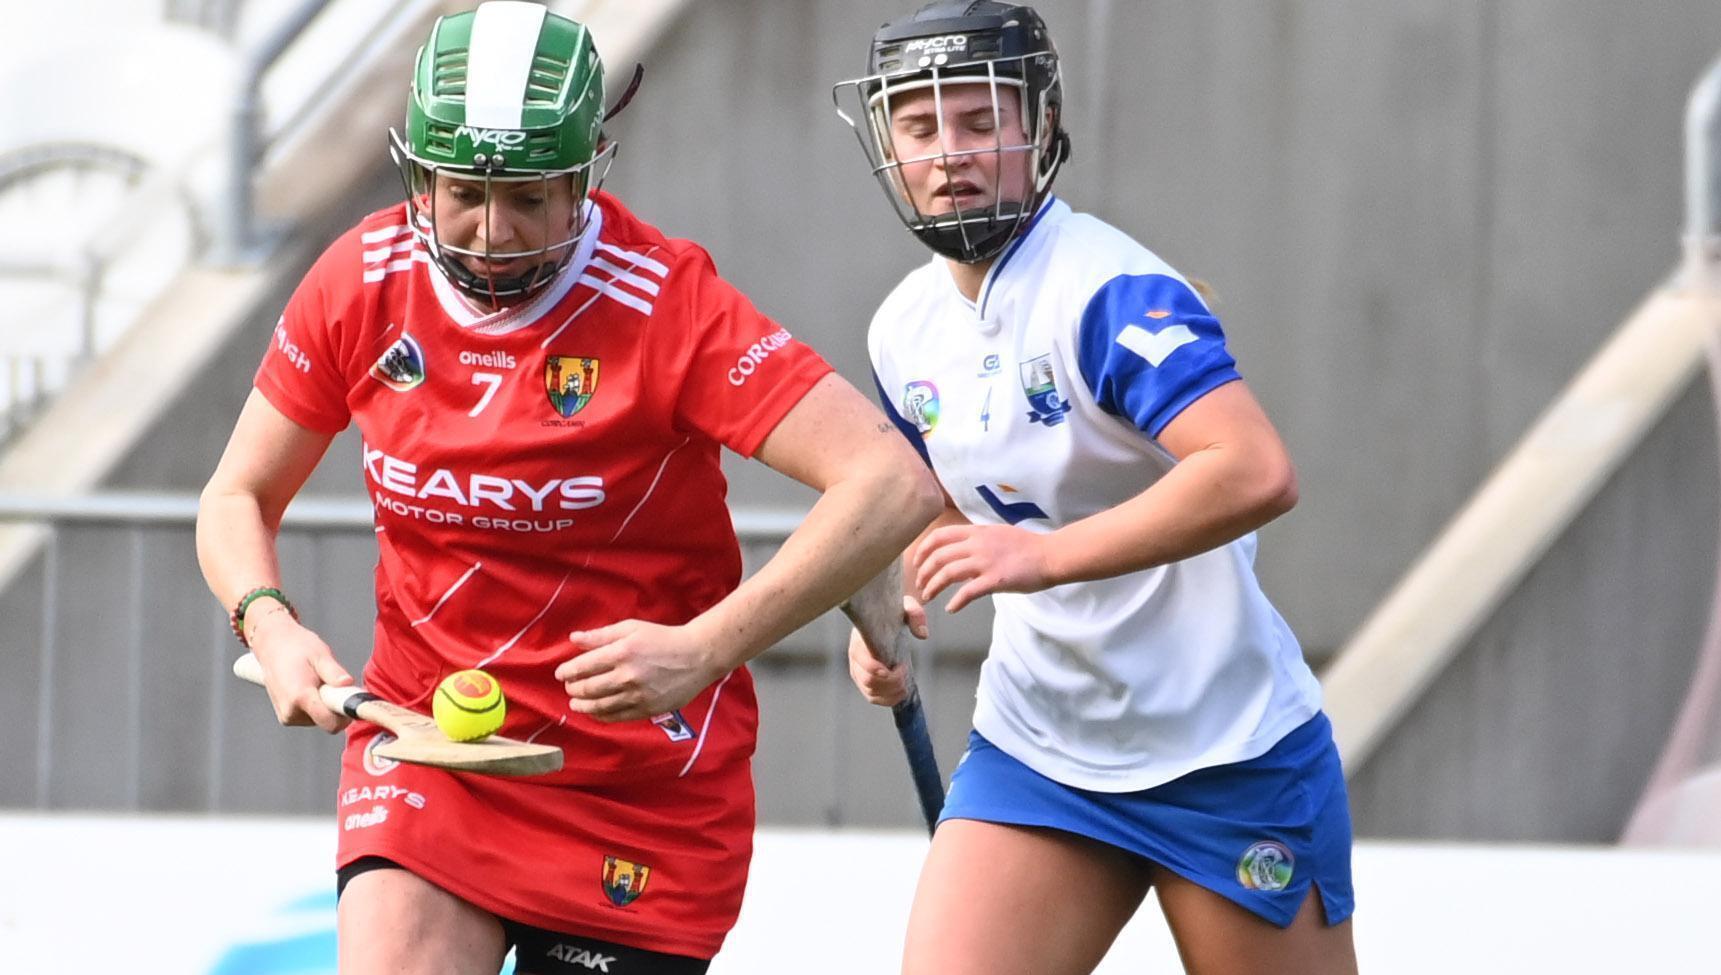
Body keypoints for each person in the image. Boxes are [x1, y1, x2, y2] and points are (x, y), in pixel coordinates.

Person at [196, 3, 940, 973]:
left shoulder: (664, 303)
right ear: (418, 174)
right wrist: (269, 625)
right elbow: (236, 496)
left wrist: (703, 648)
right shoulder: (362, 281)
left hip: (640, 781)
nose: (491, 231)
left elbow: (889, 481)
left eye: (529, 198)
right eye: (463, 192)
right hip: (429, 747)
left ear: (587, 174)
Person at [833, 3, 1360, 973]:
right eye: (919, 127)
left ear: (1039, 128)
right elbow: (941, 505)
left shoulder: (1106, 291)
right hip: (1038, 746)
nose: (949, 153)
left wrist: (1041, 559)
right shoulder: (900, 328)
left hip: (1224, 749)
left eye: (979, 120)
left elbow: (1252, 468)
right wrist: (894, 603)